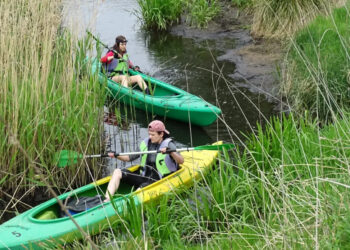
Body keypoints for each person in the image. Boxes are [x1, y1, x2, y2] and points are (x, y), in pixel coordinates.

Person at [104, 120, 184, 202]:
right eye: (149, 134)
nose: (150, 137)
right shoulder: (146, 143)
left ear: (161, 134)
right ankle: (107, 200)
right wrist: (116, 155)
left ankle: (127, 204)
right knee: (117, 171)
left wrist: (171, 152)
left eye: (153, 135)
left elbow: (181, 161)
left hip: (159, 179)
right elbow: (129, 158)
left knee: (140, 189)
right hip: (144, 175)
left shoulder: (169, 144)